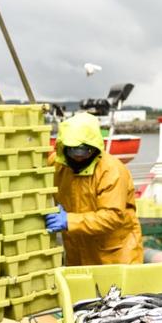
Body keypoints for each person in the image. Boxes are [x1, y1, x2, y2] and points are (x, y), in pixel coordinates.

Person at [45, 112, 143, 265]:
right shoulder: (57, 165)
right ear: (63, 147)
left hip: (115, 255)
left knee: (117, 289)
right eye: (73, 150)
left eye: (84, 151)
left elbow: (113, 216)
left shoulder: (112, 171)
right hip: (77, 251)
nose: (79, 156)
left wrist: (68, 220)